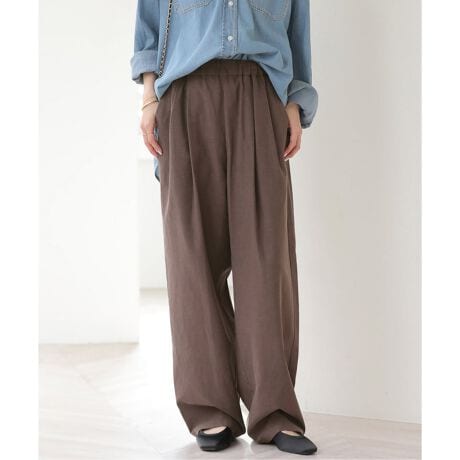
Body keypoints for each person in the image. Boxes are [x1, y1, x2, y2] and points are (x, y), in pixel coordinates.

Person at [131, 0, 319, 456]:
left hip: (260, 94)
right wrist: (149, 99)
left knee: (266, 262)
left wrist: (295, 102)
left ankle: (275, 412)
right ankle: (210, 409)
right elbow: (149, 26)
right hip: (186, 95)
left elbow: (298, 31)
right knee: (192, 260)